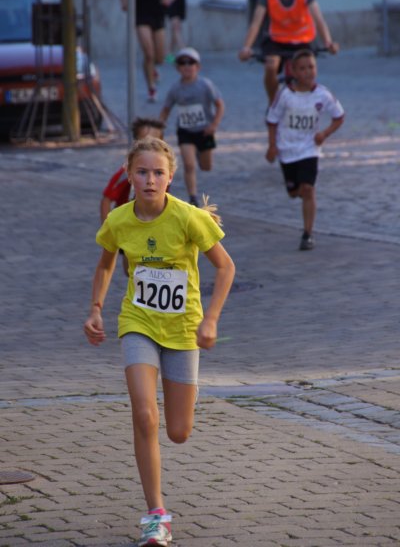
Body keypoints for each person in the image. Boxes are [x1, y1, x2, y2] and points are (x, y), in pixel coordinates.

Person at [84, 137, 235, 547]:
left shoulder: (188, 218)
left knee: (178, 431)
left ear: (170, 178)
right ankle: (156, 515)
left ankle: (183, 396)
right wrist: (96, 309)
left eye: (158, 173)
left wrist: (211, 319)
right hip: (138, 322)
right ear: (128, 175)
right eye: (142, 172)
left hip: (184, 328)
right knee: (145, 414)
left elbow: (225, 267)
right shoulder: (118, 219)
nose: (150, 180)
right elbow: (106, 263)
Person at [265, 49, 344, 250]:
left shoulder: (323, 94)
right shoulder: (285, 95)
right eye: (302, 68)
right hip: (287, 150)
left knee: (308, 189)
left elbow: (339, 116)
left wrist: (324, 134)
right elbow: (272, 120)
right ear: (293, 71)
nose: (308, 72)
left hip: (310, 149)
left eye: (311, 67)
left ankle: (307, 234)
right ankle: (296, 190)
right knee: (294, 193)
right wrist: (272, 145)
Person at [238, 0, 339, 103]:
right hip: (277, 40)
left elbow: (319, 19)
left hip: (303, 40)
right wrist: (246, 48)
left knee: (306, 70)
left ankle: (308, 102)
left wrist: (328, 43)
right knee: (271, 65)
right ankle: (273, 104)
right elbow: (256, 23)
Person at [159, 47, 225, 206]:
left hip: (205, 131)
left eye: (191, 62)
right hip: (185, 131)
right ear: (177, 68)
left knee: (206, 166)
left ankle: (200, 153)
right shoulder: (175, 88)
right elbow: (166, 109)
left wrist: (214, 124)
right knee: (189, 165)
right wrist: (158, 128)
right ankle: (193, 198)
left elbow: (220, 105)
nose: (187, 66)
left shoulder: (205, 85)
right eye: (183, 63)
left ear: (198, 66)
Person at [100, 117, 165, 276]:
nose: (150, 147)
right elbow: (106, 200)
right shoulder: (126, 174)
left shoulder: (164, 172)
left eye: (155, 143)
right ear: (136, 144)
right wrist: (109, 230)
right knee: (132, 273)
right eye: (145, 142)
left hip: (155, 227)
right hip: (129, 227)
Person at [120, 0, 176, 102]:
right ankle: (151, 88)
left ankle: (153, 70)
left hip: (158, 15)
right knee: (149, 53)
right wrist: (124, 2)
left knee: (161, 58)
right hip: (140, 15)